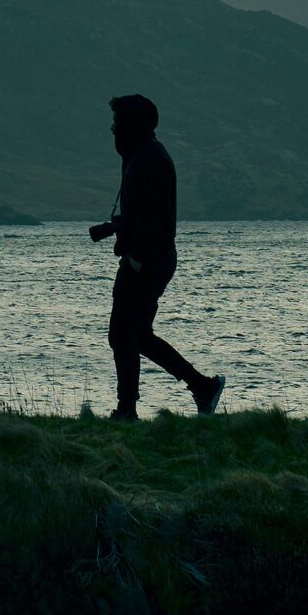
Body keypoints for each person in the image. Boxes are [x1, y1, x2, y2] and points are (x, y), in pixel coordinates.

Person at [88, 94, 223, 420]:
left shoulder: (149, 158)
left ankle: (128, 410)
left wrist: (136, 260)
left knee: (123, 334)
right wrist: (113, 228)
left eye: (117, 123)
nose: (112, 129)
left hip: (147, 261)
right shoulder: (144, 155)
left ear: (132, 125)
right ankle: (201, 387)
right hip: (150, 259)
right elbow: (144, 215)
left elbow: (154, 218)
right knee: (136, 335)